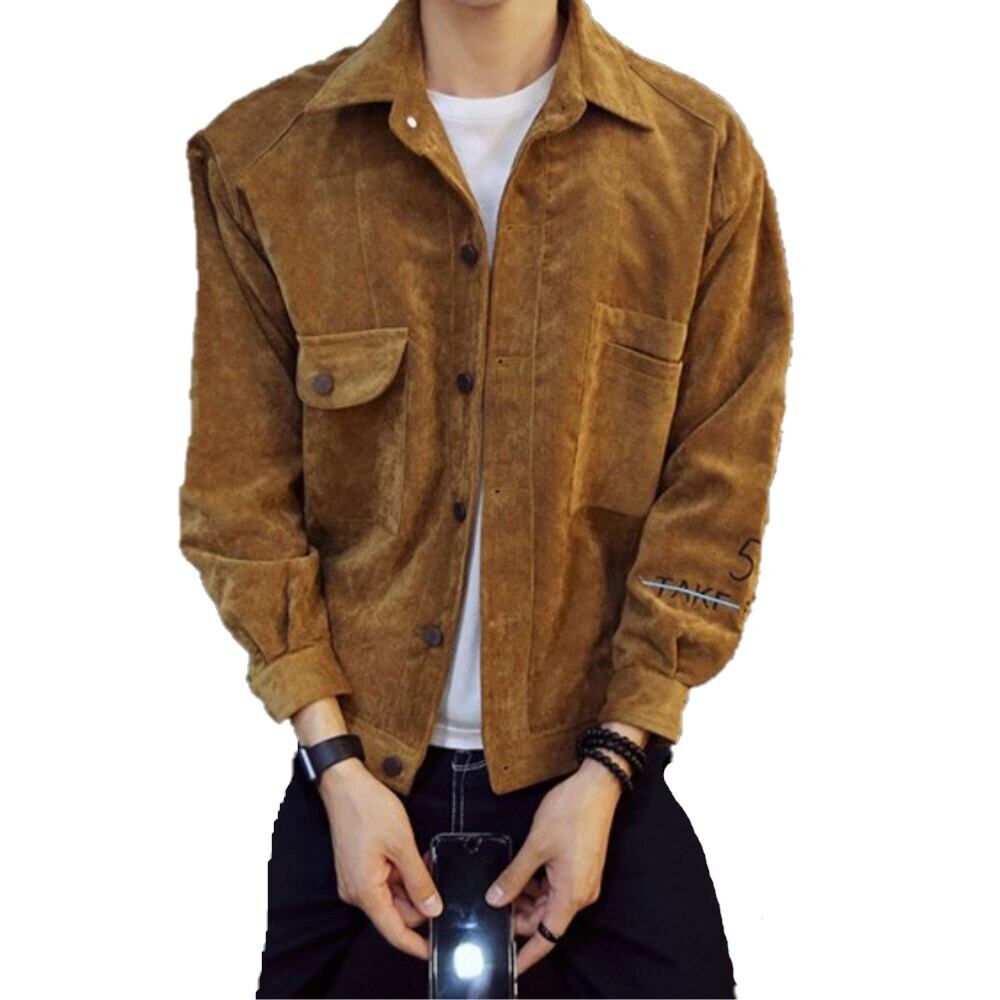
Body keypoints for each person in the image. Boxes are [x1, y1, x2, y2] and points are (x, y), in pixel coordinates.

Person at [178, 0, 793, 995]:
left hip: (598, 781)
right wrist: (338, 769)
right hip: (357, 788)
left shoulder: (697, 157)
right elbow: (237, 498)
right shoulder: (266, 158)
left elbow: (716, 492)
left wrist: (607, 771)